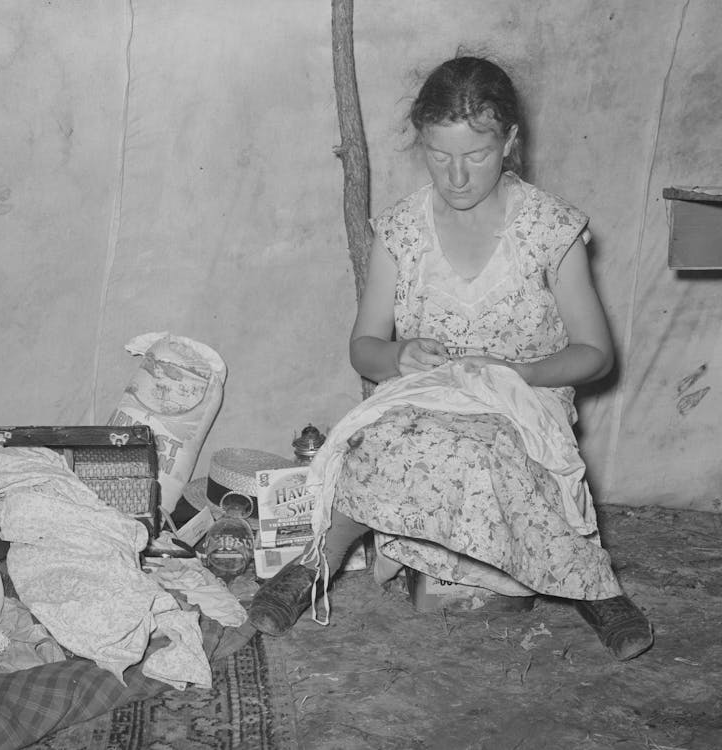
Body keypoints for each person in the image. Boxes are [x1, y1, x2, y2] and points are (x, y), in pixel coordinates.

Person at [248, 55, 653, 661]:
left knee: (494, 448)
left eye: (477, 156)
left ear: (510, 142)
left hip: (522, 396)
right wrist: (399, 354)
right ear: (421, 144)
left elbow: (595, 354)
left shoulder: (550, 229)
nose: (457, 176)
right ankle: (315, 563)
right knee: (378, 441)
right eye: (440, 156)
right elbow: (364, 347)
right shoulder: (403, 231)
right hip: (425, 393)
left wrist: (519, 373)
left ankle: (594, 587)